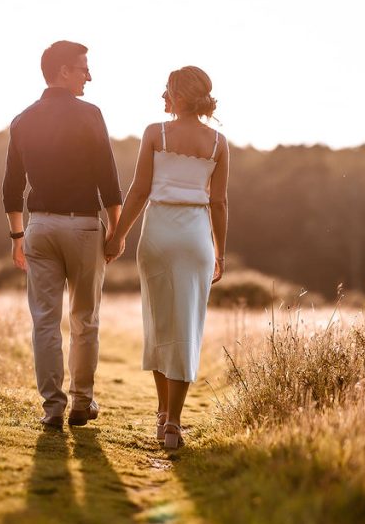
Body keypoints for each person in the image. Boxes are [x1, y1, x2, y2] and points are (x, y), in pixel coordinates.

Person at [104, 66, 228, 449]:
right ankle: (173, 422)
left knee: (158, 324)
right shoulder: (219, 142)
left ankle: (162, 416)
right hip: (195, 237)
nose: (162, 96)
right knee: (187, 326)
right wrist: (219, 252)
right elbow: (219, 202)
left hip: (157, 232)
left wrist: (118, 235)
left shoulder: (154, 133)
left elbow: (139, 190)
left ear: (178, 94)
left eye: (167, 90)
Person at [3, 40, 123, 429]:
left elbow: (10, 186)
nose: (89, 75)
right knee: (85, 319)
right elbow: (109, 179)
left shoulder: (22, 120)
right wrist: (117, 231)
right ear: (63, 71)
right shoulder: (91, 115)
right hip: (85, 226)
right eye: (83, 67)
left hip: (39, 227)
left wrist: (17, 237)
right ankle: (81, 402)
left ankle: (52, 406)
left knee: (44, 321)